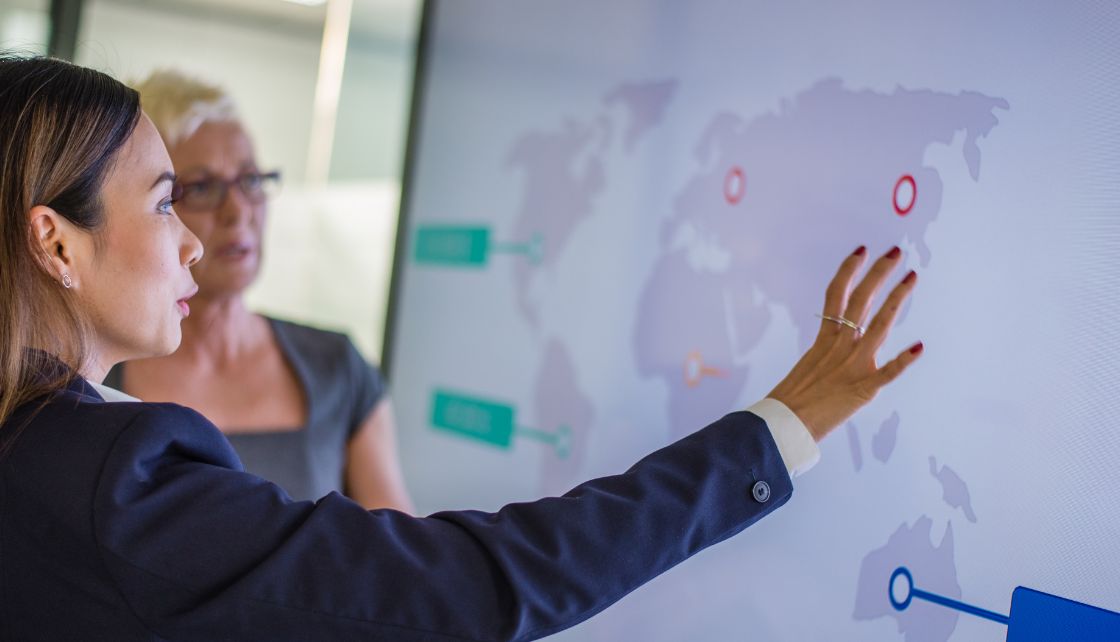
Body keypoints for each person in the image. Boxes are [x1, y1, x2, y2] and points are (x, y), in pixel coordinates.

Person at [0, 55, 922, 641]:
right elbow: (454, 589)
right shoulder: (114, 470)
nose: (200, 236)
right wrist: (773, 434)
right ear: (56, 243)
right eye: (169, 201)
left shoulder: (37, 440)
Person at [96, 70, 412, 511]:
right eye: (202, 187)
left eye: (249, 181)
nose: (238, 211)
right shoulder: (97, 375)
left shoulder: (337, 368)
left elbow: (394, 554)